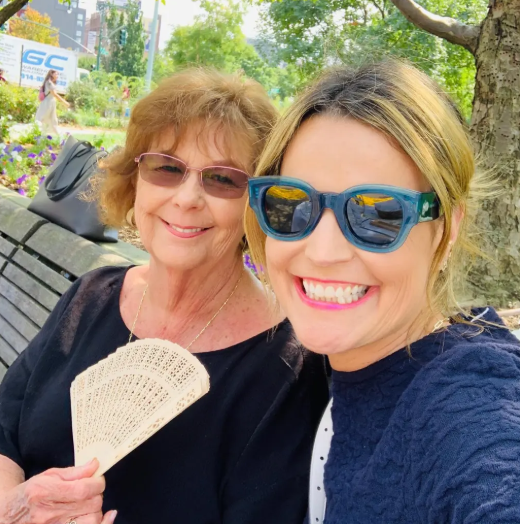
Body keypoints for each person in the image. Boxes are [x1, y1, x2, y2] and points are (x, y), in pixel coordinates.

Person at [0, 69, 329, 524]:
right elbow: (4, 431)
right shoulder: (91, 296)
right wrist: (14, 507)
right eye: (167, 168)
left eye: (223, 178)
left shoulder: (288, 370)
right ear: (135, 180)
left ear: (257, 204)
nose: (187, 198)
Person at [246, 60, 520, 523]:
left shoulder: (467, 401)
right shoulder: (343, 365)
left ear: (447, 228)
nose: (323, 251)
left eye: (377, 214)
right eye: (292, 205)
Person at [35, 69, 69, 136]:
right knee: (43, 118)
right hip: (48, 103)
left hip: (50, 102)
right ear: (52, 74)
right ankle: (39, 134)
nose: (57, 75)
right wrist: (64, 102)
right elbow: (54, 94)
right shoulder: (49, 83)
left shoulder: (50, 83)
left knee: (51, 119)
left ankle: (56, 134)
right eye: (56, 74)